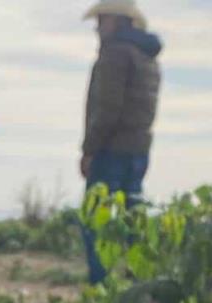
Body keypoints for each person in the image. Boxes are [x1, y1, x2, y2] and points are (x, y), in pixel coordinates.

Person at [80, 0, 162, 284]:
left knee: (95, 219)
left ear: (116, 21)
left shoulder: (115, 54)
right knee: (133, 219)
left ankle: (99, 284)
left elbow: (107, 109)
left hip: (111, 150)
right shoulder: (147, 56)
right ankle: (138, 283)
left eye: (101, 20)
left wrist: (89, 149)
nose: (97, 27)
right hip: (139, 149)